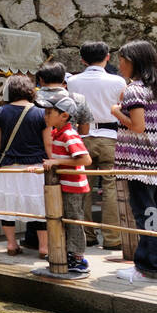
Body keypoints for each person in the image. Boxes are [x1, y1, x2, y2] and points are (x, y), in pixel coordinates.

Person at [112, 40, 157, 283]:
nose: (120, 65)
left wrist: (116, 111)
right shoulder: (156, 87)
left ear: (133, 62)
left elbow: (137, 126)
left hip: (139, 159)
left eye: (122, 60)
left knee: (145, 212)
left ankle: (149, 266)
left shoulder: (134, 90)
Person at [67, 41, 127, 248]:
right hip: (111, 136)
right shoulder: (118, 81)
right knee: (111, 187)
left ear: (82, 59)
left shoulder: (73, 81)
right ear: (108, 56)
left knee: (84, 187)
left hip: (82, 138)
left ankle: (87, 236)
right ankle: (113, 239)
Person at [0, 74, 50, 256]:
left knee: (8, 205)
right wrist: (51, 162)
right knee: (39, 206)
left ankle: (11, 244)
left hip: (9, 166)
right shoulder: (41, 112)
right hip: (35, 167)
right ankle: (44, 247)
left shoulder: (0, 112)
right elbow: (48, 143)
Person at [39, 91, 92, 272]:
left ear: (64, 116)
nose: (45, 116)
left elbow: (86, 160)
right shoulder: (57, 133)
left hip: (74, 186)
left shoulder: (69, 134)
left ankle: (78, 257)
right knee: (66, 219)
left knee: (74, 220)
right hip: (66, 185)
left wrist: (58, 162)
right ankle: (68, 253)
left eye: (49, 113)